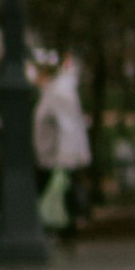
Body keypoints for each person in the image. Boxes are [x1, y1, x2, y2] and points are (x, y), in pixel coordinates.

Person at [34, 54, 90, 236]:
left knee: (61, 195)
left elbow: (67, 128)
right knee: (59, 195)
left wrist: (65, 160)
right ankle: (63, 227)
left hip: (57, 159)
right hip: (52, 158)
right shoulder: (52, 92)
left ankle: (65, 228)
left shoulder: (57, 93)